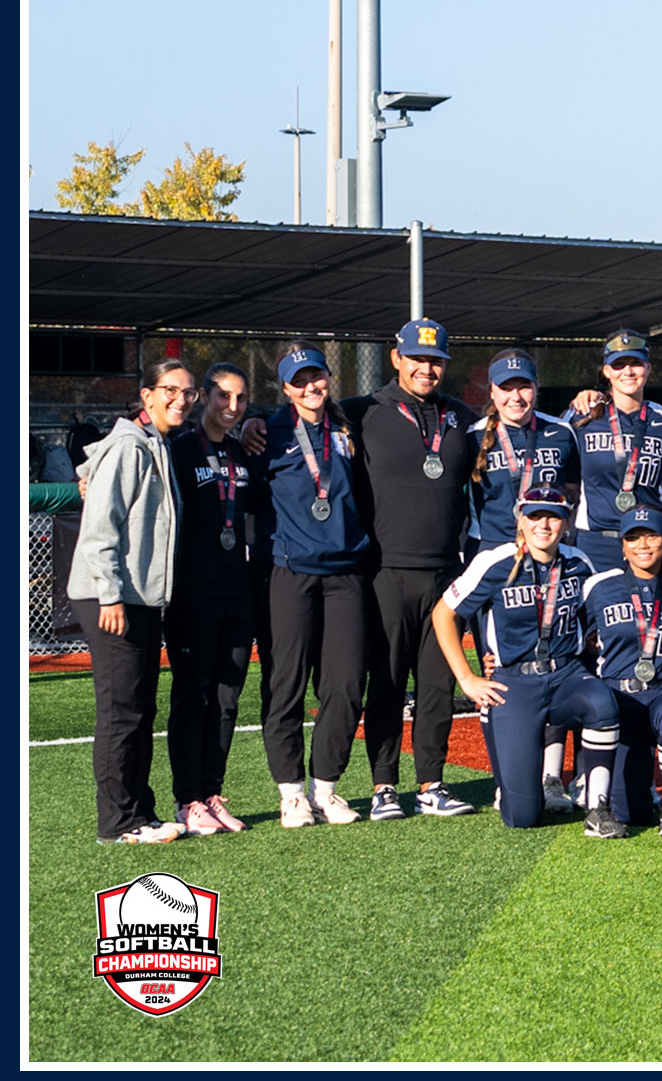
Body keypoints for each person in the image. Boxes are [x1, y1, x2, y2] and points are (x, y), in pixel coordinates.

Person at [342, 318, 482, 821]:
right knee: (386, 681)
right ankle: (383, 786)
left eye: (437, 361)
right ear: (396, 357)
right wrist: (255, 425)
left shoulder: (462, 417)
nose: (427, 368)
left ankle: (431, 783)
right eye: (418, 359)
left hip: (446, 572)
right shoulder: (360, 413)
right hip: (386, 570)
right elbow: (300, 420)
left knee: (437, 684)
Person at [433, 487, 624, 836]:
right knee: (522, 816)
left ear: (566, 523)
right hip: (515, 681)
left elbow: (592, 617)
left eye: (553, 516)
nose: (544, 524)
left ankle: (598, 807)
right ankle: (514, 780)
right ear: (520, 520)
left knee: (602, 702)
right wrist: (466, 677)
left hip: (566, 674)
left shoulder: (579, 562)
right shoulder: (495, 561)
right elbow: (443, 613)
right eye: (535, 515)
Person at [69, 359, 195, 843]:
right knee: (121, 710)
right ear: (147, 396)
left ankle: (140, 812)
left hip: (140, 596)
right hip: (113, 596)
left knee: (141, 708)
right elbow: (100, 531)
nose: (180, 399)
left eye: (188, 393)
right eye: (170, 390)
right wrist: (110, 594)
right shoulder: (129, 446)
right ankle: (118, 822)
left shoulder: (156, 443)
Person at [261, 346, 373, 828]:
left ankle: (325, 789)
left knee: (346, 685)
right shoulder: (267, 431)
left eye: (318, 378)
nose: (311, 388)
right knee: (286, 684)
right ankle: (291, 793)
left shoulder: (350, 425)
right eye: (299, 381)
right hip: (292, 571)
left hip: (346, 571)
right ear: (285, 388)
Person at [164, 362, 267, 836]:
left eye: (241, 399)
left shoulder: (245, 451)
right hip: (191, 594)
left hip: (237, 592)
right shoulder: (180, 451)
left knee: (227, 698)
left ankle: (211, 792)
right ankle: (187, 798)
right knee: (194, 695)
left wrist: (252, 424)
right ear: (205, 397)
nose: (232, 406)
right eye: (223, 396)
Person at [580, 505, 662, 835]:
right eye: (632, 537)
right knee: (630, 812)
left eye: (651, 536)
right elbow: (570, 637)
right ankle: (606, 800)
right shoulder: (599, 587)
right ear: (621, 545)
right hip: (618, 701)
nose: (642, 544)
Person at [571, 330, 662, 575]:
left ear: (648, 368)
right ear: (606, 371)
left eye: (636, 363)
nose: (628, 372)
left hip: (649, 542)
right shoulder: (582, 418)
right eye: (619, 365)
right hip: (596, 542)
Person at [468, 349, 580, 553]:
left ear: (536, 388)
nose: (516, 397)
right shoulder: (471, 437)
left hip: (550, 547)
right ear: (492, 391)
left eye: (524, 387)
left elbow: (574, 492)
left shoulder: (561, 432)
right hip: (490, 547)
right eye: (506, 388)